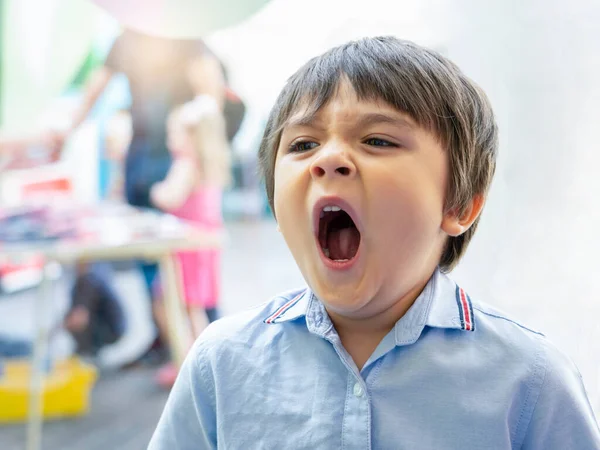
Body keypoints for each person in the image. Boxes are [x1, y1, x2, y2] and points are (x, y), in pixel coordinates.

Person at [149, 37, 600, 449]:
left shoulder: (531, 382)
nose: (328, 159)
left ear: (459, 205)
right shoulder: (221, 363)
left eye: (378, 139)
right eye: (304, 144)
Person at [57, 28, 229, 358]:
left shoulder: (186, 39)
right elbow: (97, 86)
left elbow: (210, 93)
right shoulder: (132, 38)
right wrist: (69, 130)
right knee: (159, 265)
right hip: (146, 157)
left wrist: (203, 145)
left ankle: (203, 343)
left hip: (174, 156)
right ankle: (168, 337)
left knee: (185, 269)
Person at [150, 72, 231, 386]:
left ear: (192, 136)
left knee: (173, 304)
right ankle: (195, 362)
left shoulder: (185, 165)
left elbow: (169, 196)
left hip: (186, 248)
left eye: (176, 133)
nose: (171, 139)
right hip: (202, 246)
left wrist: (156, 190)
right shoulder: (210, 165)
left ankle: (187, 361)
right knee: (193, 306)